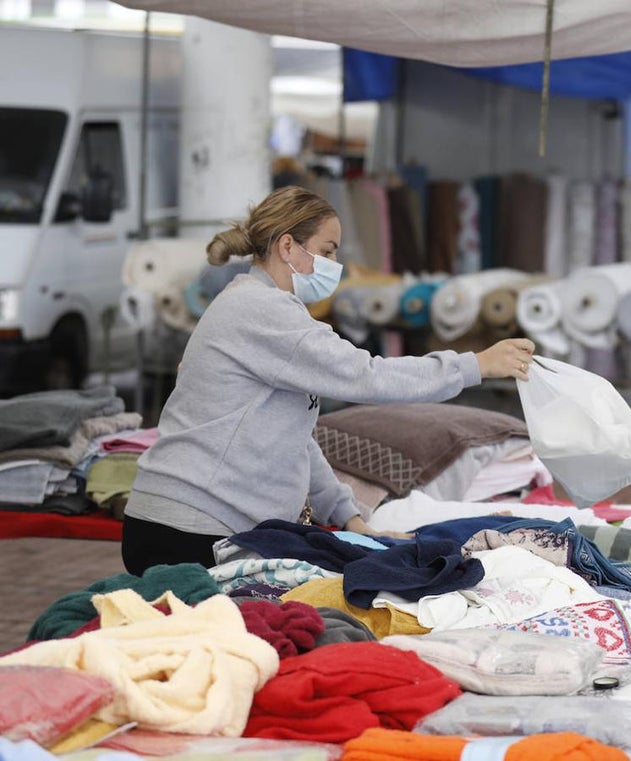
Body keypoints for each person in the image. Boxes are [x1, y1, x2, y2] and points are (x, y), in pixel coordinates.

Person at [121, 186, 535, 576]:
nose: (334, 266)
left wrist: (349, 516)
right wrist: (475, 365)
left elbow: (295, 435)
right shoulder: (261, 310)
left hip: (187, 525)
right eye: (326, 251)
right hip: (188, 531)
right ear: (287, 246)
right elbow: (368, 375)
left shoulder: (263, 307)